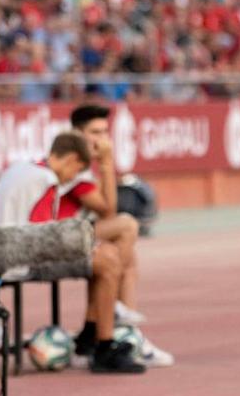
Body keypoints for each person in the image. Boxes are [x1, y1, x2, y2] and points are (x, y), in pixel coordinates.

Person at [0, 132, 144, 374]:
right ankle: (103, 345)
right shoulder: (46, 179)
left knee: (102, 252)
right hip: (19, 259)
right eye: (76, 171)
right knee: (108, 258)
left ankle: (95, 332)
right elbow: (44, 235)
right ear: (71, 159)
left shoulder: (19, 168)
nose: (72, 178)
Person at [69, 104, 173, 367]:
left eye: (105, 132)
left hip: (75, 234)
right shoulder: (71, 162)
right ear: (77, 133)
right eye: (94, 132)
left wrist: (104, 166)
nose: (101, 139)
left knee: (124, 257)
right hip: (57, 240)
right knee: (126, 226)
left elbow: (105, 213)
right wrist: (106, 164)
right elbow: (109, 211)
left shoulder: (84, 163)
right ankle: (110, 322)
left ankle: (118, 330)